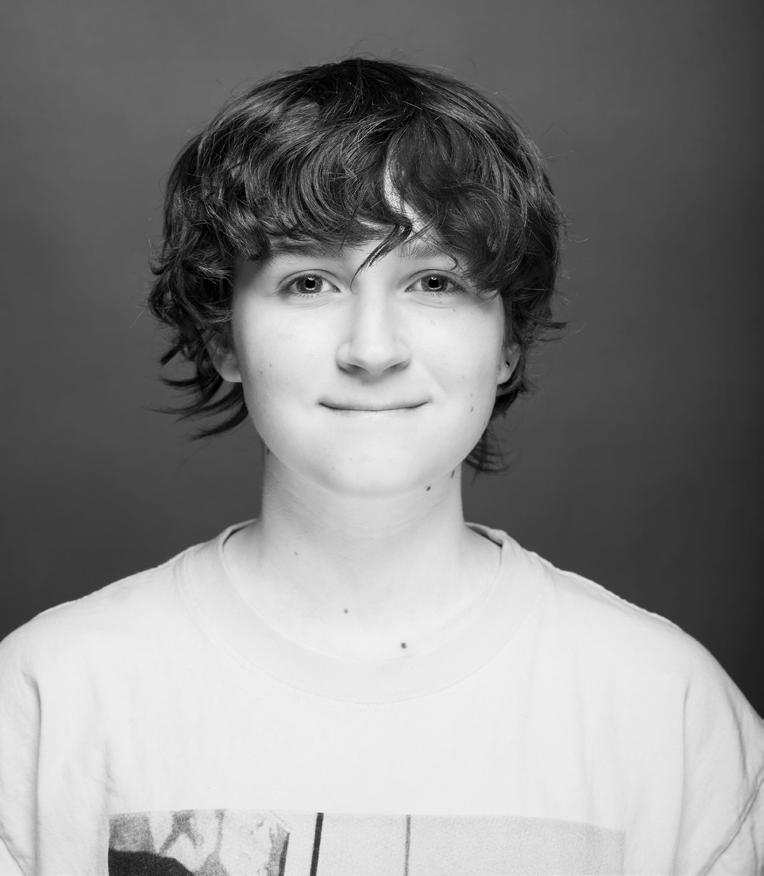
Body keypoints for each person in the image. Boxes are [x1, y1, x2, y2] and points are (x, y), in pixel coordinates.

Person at [0, 57, 761, 876]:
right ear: (224, 336)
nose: (372, 349)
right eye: (308, 282)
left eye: (433, 281)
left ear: (508, 339)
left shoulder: (669, 711)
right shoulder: (47, 699)